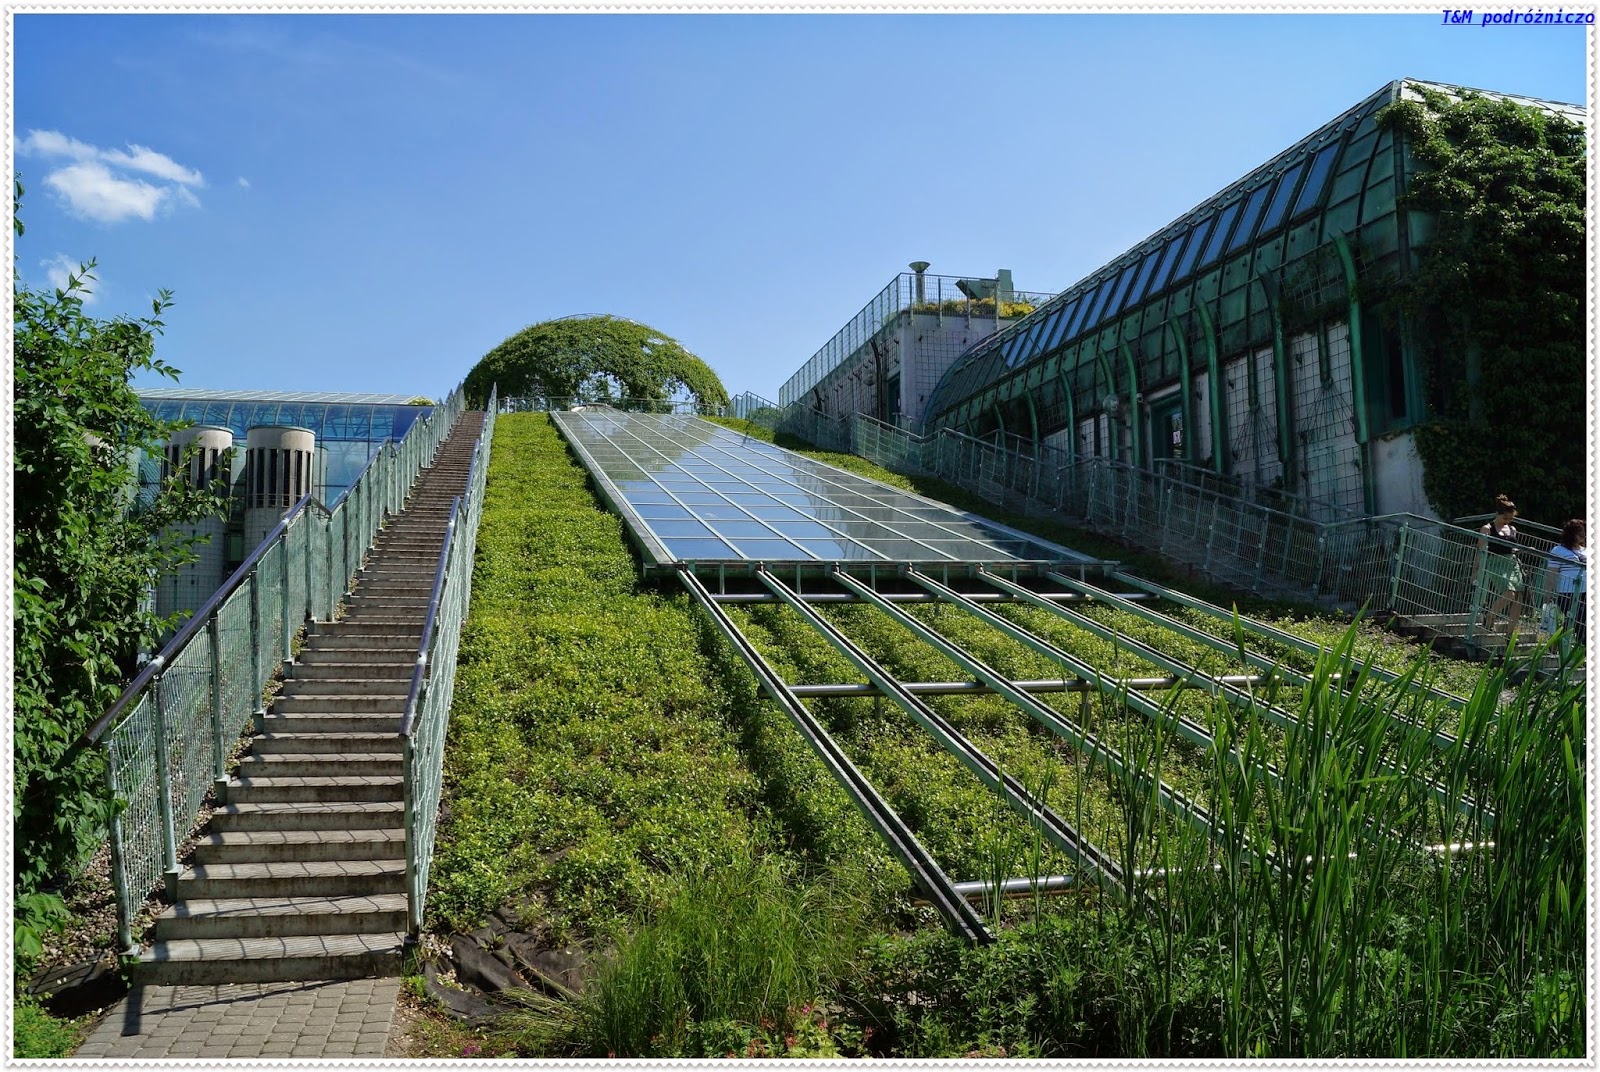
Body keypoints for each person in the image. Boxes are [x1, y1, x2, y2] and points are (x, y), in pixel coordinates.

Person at [1477, 494, 1525, 634]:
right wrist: (1477, 569)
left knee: (1519, 596)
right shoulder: (1487, 529)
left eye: (1510, 519)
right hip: (1495, 563)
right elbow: (1480, 550)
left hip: (1512, 563)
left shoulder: (1512, 529)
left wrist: (1521, 550)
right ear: (1498, 514)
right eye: (1505, 518)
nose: (1507, 521)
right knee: (1509, 593)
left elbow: (1512, 548)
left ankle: (1510, 633)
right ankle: (1490, 615)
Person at [1544, 518, 1587, 644]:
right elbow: (1552, 573)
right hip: (1567, 592)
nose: (1583, 535)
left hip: (1586, 592)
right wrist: (1548, 593)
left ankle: (1556, 642)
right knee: (1579, 620)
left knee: (1577, 620)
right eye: (1579, 532)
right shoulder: (1558, 550)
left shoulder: (1586, 550)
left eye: (1584, 532)